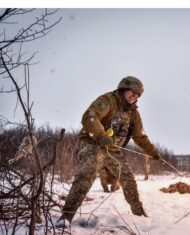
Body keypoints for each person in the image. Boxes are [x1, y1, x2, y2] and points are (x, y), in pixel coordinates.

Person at [58, 76, 161, 224]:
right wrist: (101, 136)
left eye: (138, 94)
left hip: (113, 151)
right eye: (132, 92)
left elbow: (140, 136)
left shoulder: (134, 114)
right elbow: (90, 117)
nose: (135, 96)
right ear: (123, 89)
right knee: (88, 173)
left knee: (128, 180)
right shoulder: (108, 100)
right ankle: (66, 217)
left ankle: (139, 215)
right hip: (93, 144)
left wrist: (152, 152)